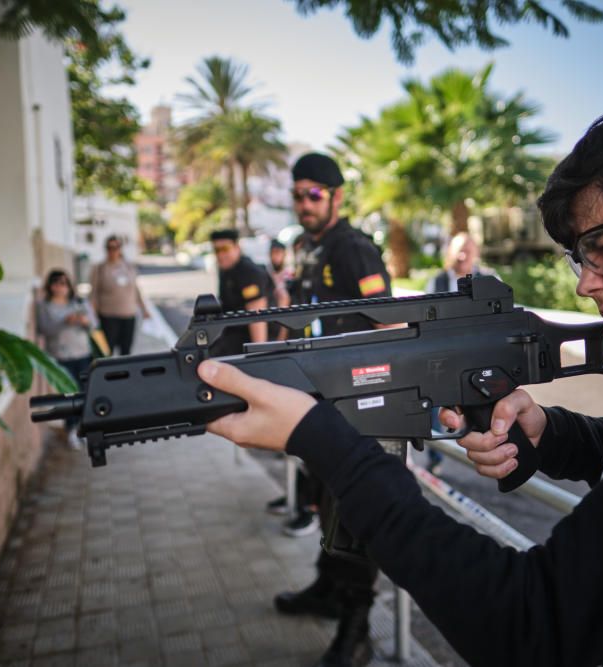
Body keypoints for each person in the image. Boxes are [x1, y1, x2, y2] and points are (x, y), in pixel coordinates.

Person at [195, 74, 603, 666]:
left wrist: (325, 442)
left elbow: (526, 624)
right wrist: (557, 435)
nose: (586, 285)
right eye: (579, 258)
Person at [265, 152, 393, 667]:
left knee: (355, 514)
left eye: (313, 194)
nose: (304, 203)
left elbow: (387, 325)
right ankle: (325, 589)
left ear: (338, 197)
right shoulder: (309, 249)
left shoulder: (354, 248)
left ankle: (357, 628)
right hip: (317, 402)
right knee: (324, 501)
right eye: (297, 195)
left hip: (356, 408)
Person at [423, 231, 494, 474]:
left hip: (479, 356)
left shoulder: (490, 279)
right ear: (449, 253)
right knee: (436, 407)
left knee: (491, 407)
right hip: (444, 357)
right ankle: (436, 458)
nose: (463, 255)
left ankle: (499, 455)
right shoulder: (438, 281)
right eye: (458, 250)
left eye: (468, 249)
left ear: (476, 252)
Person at [35, 269, 97, 449]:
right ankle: (71, 429)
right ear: (50, 285)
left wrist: (84, 321)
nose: (60, 287)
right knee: (68, 395)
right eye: (56, 282)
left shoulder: (79, 302)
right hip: (60, 355)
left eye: (64, 282)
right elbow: (44, 330)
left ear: (69, 285)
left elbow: (94, 325)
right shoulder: (44, 306)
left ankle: (83, 427)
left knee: (85, 392)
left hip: (83, 353)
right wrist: (64, 322)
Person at [208, 228, 274, 356]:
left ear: (237, 247)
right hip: (232, 333)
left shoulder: (248, 273)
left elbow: (257, 318)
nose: (220, 255)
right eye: (216, 250)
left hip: (251, 340)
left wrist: (258, 355)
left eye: (225, 249)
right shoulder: (226, 270)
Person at [89, 234, 149, 356]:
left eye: (116, 247)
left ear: (120, 248)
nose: (113, 250)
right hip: (108, 317)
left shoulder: (128, 266)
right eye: (110, 247)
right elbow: (93, 294)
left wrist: (144, 309)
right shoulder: (99, 268)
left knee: (126, 351)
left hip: (129, 316)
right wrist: (92, 315)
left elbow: (136, 289)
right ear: (106, 249)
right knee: (107, 351)